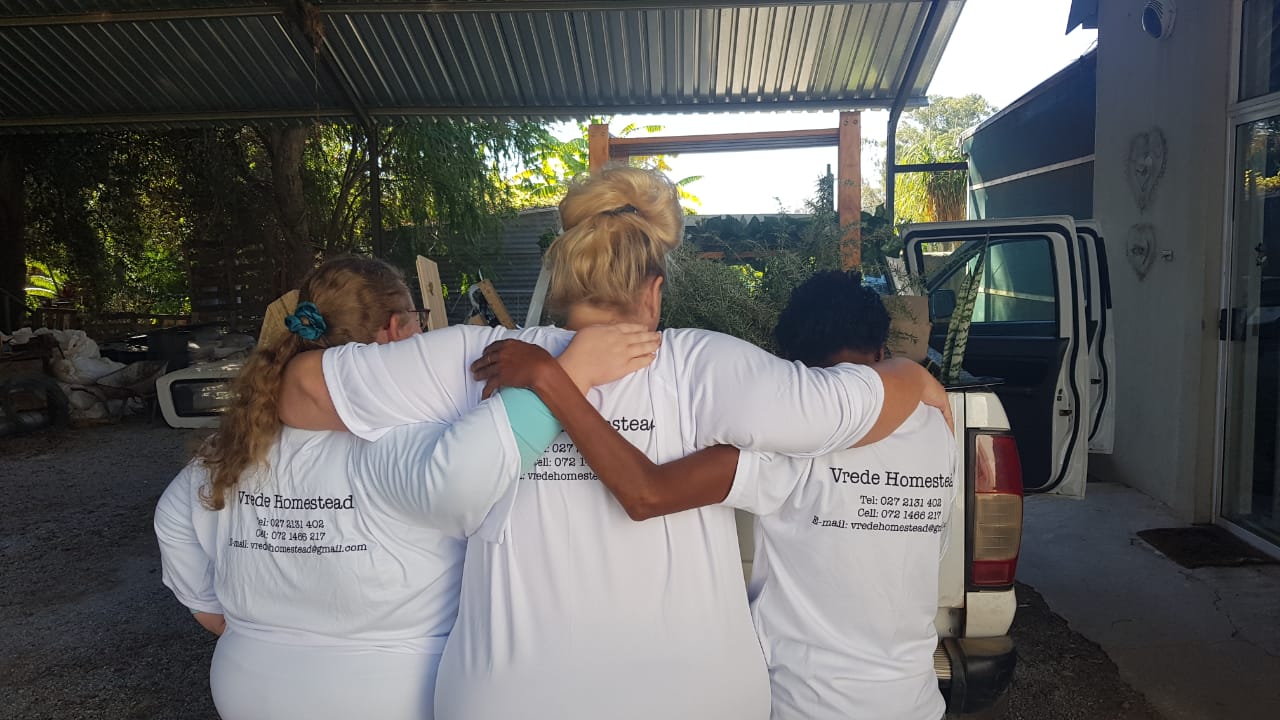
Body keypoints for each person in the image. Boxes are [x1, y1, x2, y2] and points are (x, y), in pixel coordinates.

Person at [277, 167, 951, 719]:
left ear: (563, 282)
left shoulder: (477, 357)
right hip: (696, 698)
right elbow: (844, 409)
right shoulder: (703, 365)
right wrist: (909, 373)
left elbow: (300, 391)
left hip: (508, 698)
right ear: (654, 292)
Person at [154, 256, 654, 720]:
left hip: (247, 682)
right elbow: (462, 478)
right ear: (396, 331)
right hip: (384, 690)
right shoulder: (390, 445)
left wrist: (252, 631)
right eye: (417, 321)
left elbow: (178, 532)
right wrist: (572, 374)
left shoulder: (229, 451)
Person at [478, 271, 957, 719]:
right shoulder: (938, 430)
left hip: (810, 703)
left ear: (790, 365)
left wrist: (551, 379)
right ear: (881, 347)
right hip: (916, 701)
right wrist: (909, 373)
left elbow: (645, 493)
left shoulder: (790, 449)